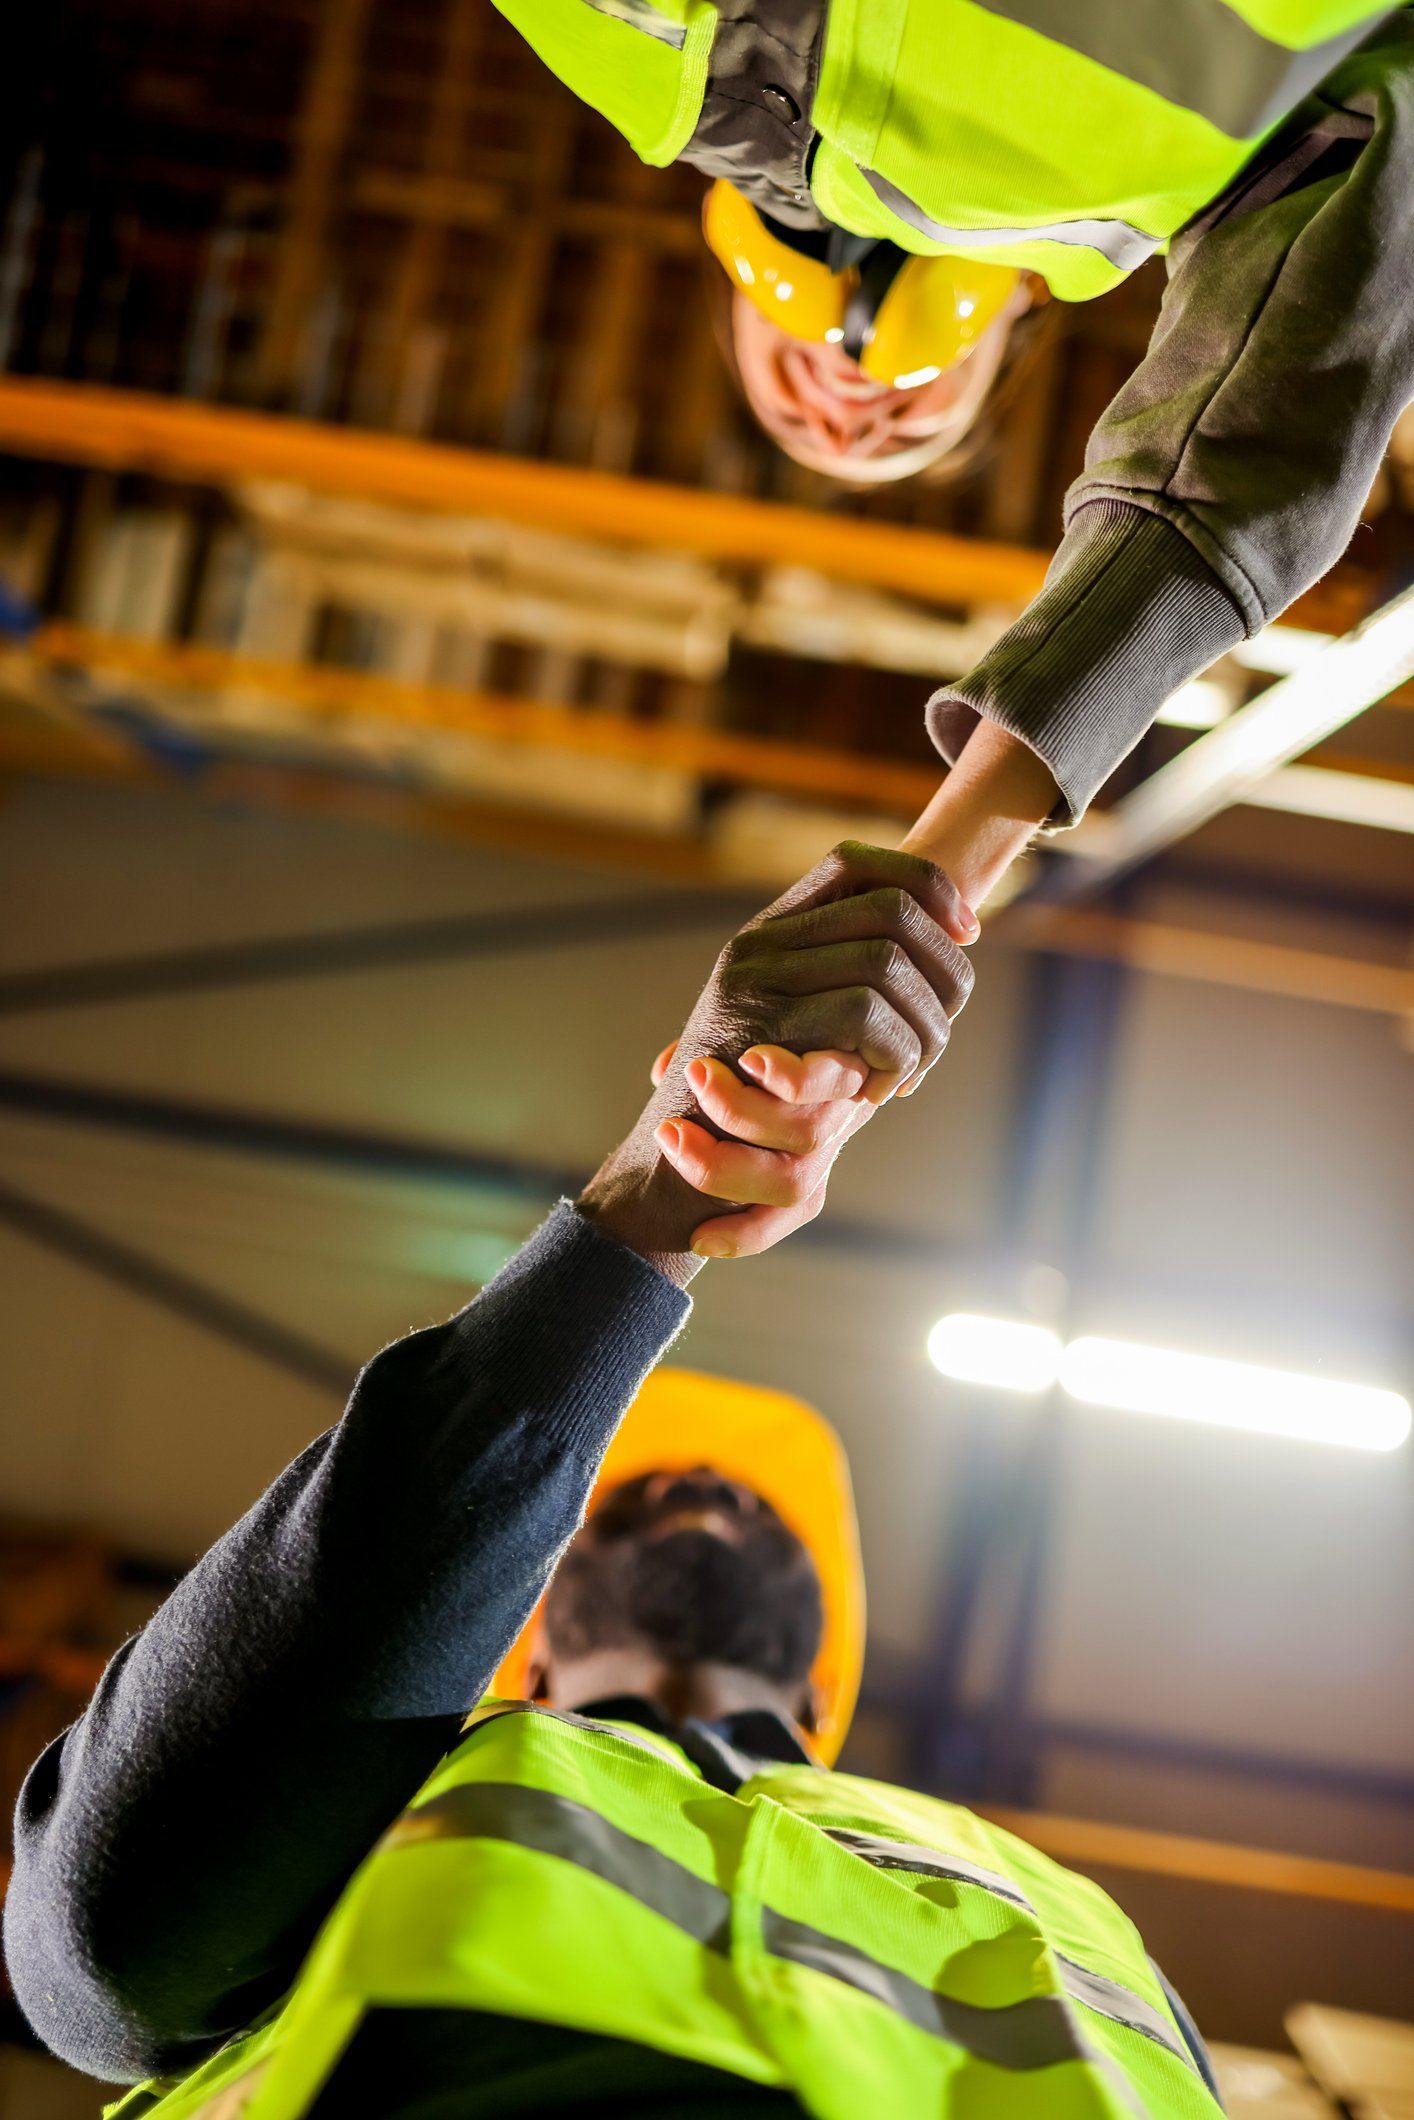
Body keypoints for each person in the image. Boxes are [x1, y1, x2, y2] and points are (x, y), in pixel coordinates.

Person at [5, 847, 1221, 2120]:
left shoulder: (1065, 1902)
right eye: (626, 1504)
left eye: (742, 1508)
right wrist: (656, 1199)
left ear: (822, 1689)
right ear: (516, 1662)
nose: (710, 1494)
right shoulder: (382, 1793)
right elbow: (109, 1949)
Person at [492, 0, 1414, 841]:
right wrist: (949, 862)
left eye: (798, 418)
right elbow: (1274, 410)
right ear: (1019, 309)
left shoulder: (634, 62)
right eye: (908, 428)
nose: (848, 422)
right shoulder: (1174, 196)